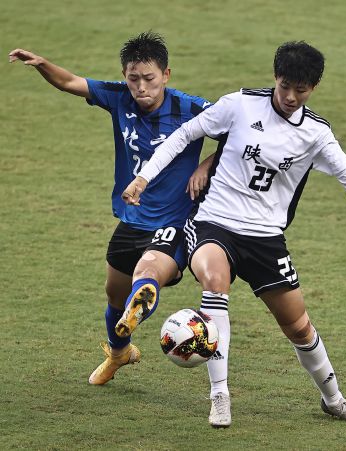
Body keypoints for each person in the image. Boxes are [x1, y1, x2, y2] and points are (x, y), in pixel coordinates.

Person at [120, 41, 346, 428]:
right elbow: (185, 134)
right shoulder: (240, 104)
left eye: (300, 90)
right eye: (284, 86)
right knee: (214, 280)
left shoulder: (316, 134)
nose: (290, 97)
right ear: (275, 77)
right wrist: (143, 178)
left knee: (299, 327)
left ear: (313, 88)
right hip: (214, 222)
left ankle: (334, 400)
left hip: (265, 238)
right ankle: (220, 396)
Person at [9, 31, 215, 385]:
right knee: (114, 295)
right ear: (125, 76)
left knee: (148, 273)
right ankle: (119, 352)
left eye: (149, 78)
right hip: (132, 218)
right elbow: (71, 82)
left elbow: (238, 134)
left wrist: (206, 166)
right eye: (133, 79)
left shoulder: (191, 109)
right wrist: (42, 64)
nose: (141, 87)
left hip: (175, 222)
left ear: (166, 75)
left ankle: (142, 299)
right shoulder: (119, 97)